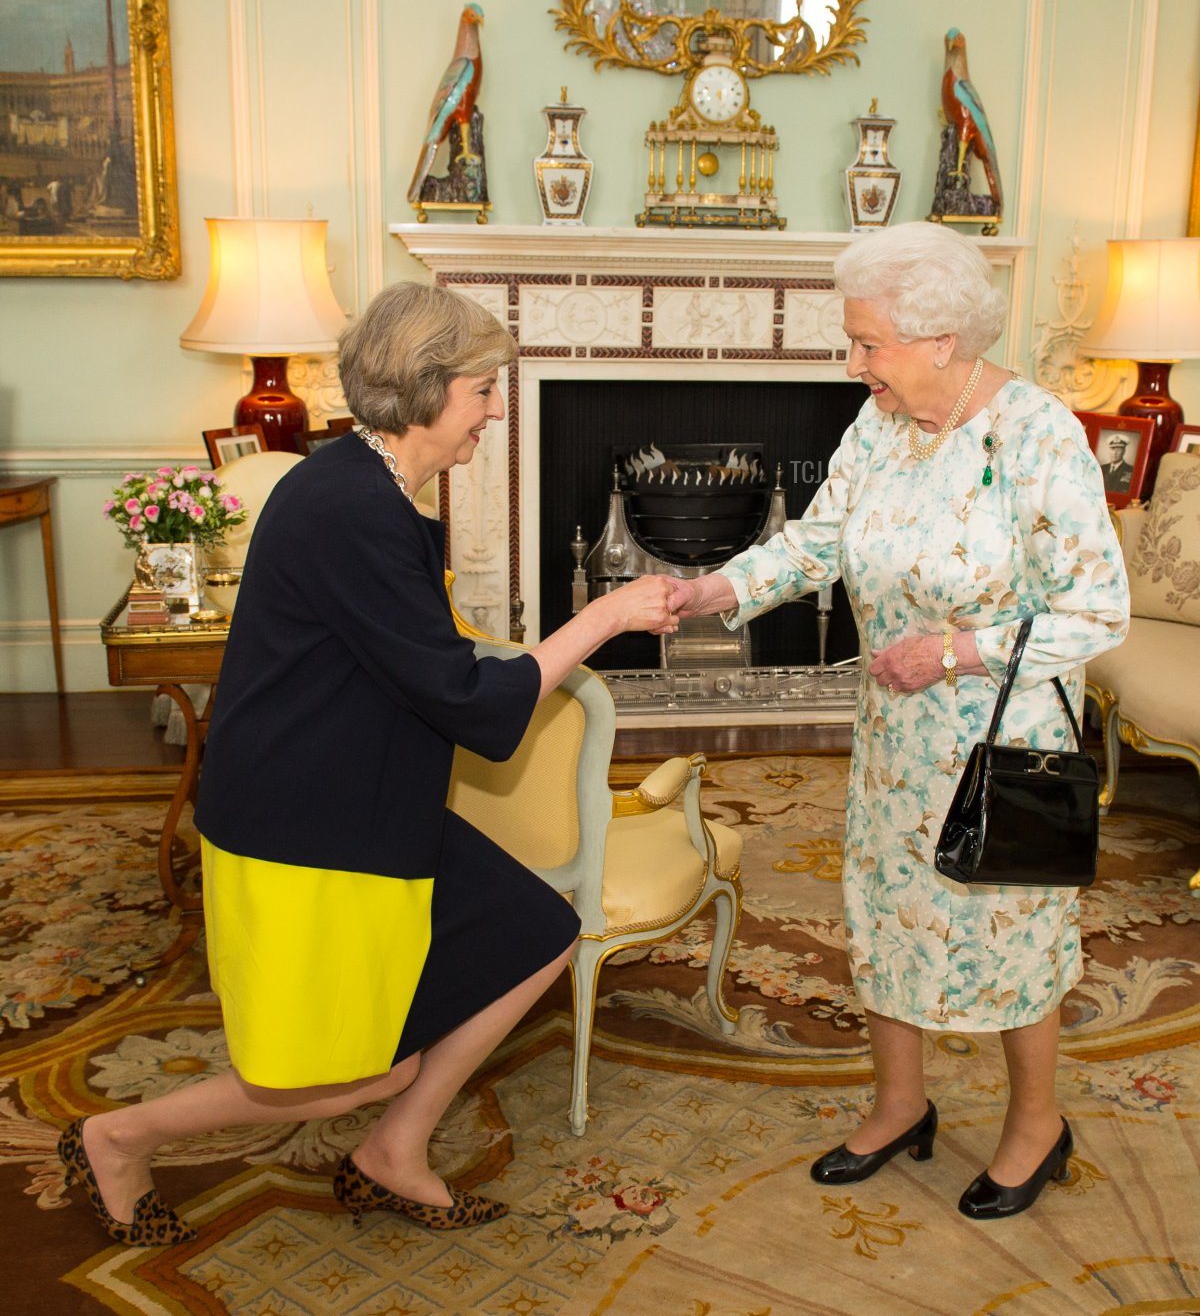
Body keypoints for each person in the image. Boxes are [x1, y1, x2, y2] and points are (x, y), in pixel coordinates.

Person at [57, 283, 678, 1247]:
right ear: (427, 391)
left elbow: (424, 658)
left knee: (536, 928)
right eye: (482, 390)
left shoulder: (370, 484)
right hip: (307, 823)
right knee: (358, 1068)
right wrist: (602, 617)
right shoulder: (351, 505)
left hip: (371, 792)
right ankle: (117, 1134)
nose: (497, 408)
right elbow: (470, 706)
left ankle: (394, 1151)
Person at [662, 221, 1129, 1221]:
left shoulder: (1040, 435)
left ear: (939, 343)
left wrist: (953, 651)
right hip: (897, 738)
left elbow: (1096, 609)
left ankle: (1036, 1124)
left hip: (1006, 740)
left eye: (868, 343)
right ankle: (899, 1104)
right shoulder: (876, 428)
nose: (854, 363)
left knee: (1010, 927)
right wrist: (711, 592)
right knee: (888, 913)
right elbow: (815, 544)